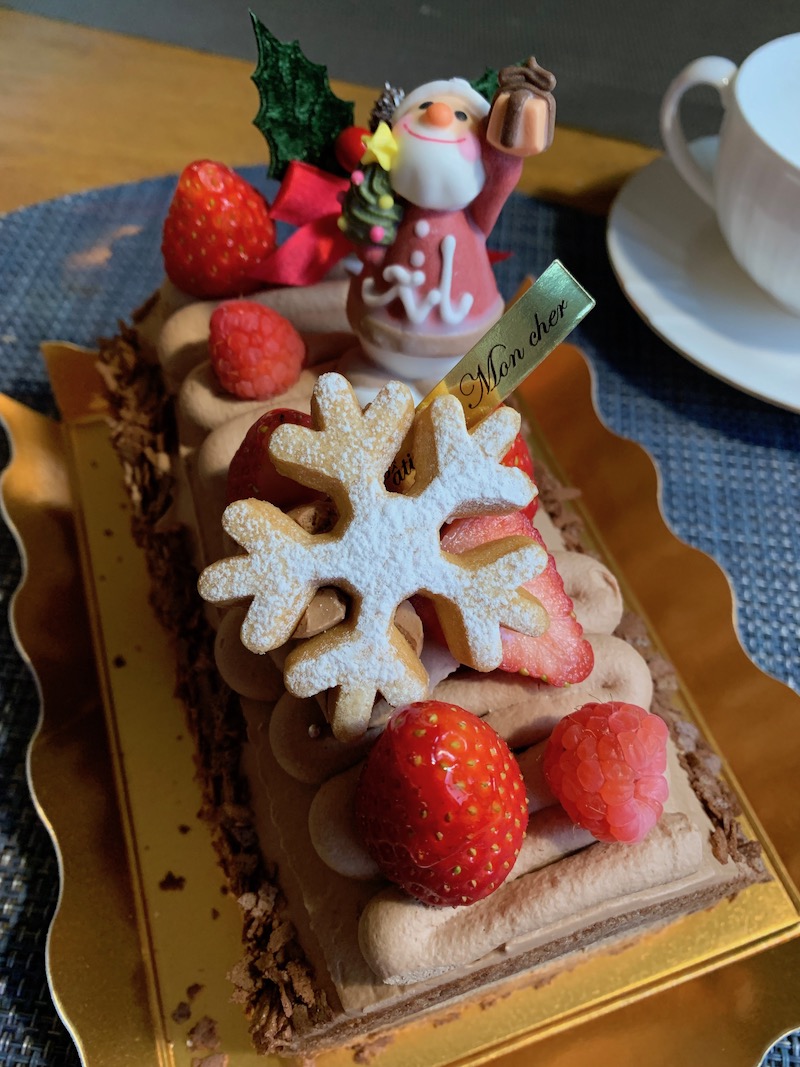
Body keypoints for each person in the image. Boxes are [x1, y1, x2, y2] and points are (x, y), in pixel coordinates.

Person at [340, 59, 556, 403]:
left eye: (460, 116)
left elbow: (502, 176)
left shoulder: (476, 218)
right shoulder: (384, 208)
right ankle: (377, 384)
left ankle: (441, 397)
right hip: (378, 343)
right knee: (364, 389)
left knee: (452, 396)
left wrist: (511, 143)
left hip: (457, 357)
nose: (438, 113)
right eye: (424, 105)